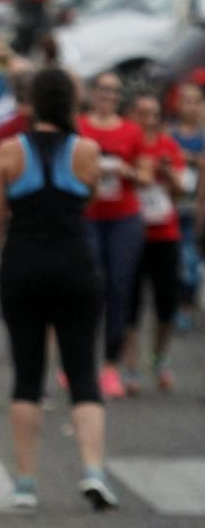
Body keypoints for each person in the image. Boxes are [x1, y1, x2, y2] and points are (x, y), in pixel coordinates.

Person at [0, 66, 118, 512]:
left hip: (24, 266)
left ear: (31, 105)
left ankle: (26, 481)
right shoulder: (89, 151)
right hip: (77, 266)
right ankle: (93, 470)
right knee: (83, 371)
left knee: (28, 376)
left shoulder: (10, 152)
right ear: (72, 105)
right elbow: (88, 199)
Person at [76, 72, 147, 400]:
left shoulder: (131, 131)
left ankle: (110, 364)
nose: (108, 96)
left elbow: (145, 176)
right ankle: (79, 362)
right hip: (88, 216)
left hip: (123, 218)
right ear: (92, 93)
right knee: (89, 287)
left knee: (119, 286)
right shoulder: (79, 127)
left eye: (114, 91)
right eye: (103, 90)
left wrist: (124, 170)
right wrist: (93, 170)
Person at [122, 94, 186, 393]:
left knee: (166, 303)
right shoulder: (126, 144)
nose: (149, 120)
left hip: (165, 234)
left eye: (154, 114)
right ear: (133, 115)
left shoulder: (168, 145)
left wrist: (167, 171)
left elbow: (181, 191)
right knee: (131, 302)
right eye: (143, 114)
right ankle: (132, 368)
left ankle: (159, 357)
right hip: (131, 232)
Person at [168, 81, 203, 327]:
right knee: (181, 261)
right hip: (173, 206)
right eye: (185, 100)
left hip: (197, 207)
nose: (189, 106)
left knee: (192, 261)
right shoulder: (170, 134)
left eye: (194, 101)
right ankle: (181, 306)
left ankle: (186, 304)